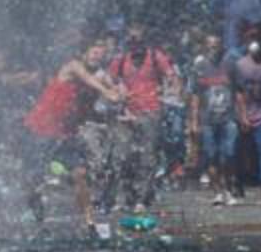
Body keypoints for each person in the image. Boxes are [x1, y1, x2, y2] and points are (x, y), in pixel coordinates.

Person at [22, 39, 122, 233]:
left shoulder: (97, 76)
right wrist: (107, 92)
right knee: (34, 178)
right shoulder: (73, 65)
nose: (97, 58)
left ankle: (89, 222)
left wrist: (117, 91)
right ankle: (34, 200)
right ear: (84, 53)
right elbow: (89, 79)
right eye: (94, 53)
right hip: (41, 129)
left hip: (65, 133)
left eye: (101, 56)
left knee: (80, 174)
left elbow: (109, 84)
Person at [107, 22, 178, 212]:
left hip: (150, 111)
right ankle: (123, 196)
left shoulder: (155, 56)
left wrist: (166, 92)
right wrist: (118, 91)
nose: (135, 44)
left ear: (145, 41)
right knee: (122, 155)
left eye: (138, 40)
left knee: (147, 156)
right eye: (131, 40)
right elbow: (109, 80)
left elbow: (172, 76)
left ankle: (141, 198)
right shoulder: (121, 59)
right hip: (125, 112)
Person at [188, 34, 238, 205]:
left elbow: (239, 91)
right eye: (210, 46)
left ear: (221, 46)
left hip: (228, 117)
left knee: (229, 154)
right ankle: (217, 191)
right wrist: (194, 121)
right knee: (211, 155)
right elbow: (194, 95)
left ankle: (228, 189)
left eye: (216, 46)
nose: (213, 49)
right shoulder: (199, 66)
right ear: (205, 47)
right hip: (207, 119)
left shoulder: (230, 63)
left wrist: (243, 115)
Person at [233, 35, 261, 198]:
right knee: (241, 150)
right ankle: (237, 182)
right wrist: (243, 115)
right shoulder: (240, 65)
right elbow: (239, 92)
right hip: (245, 111)